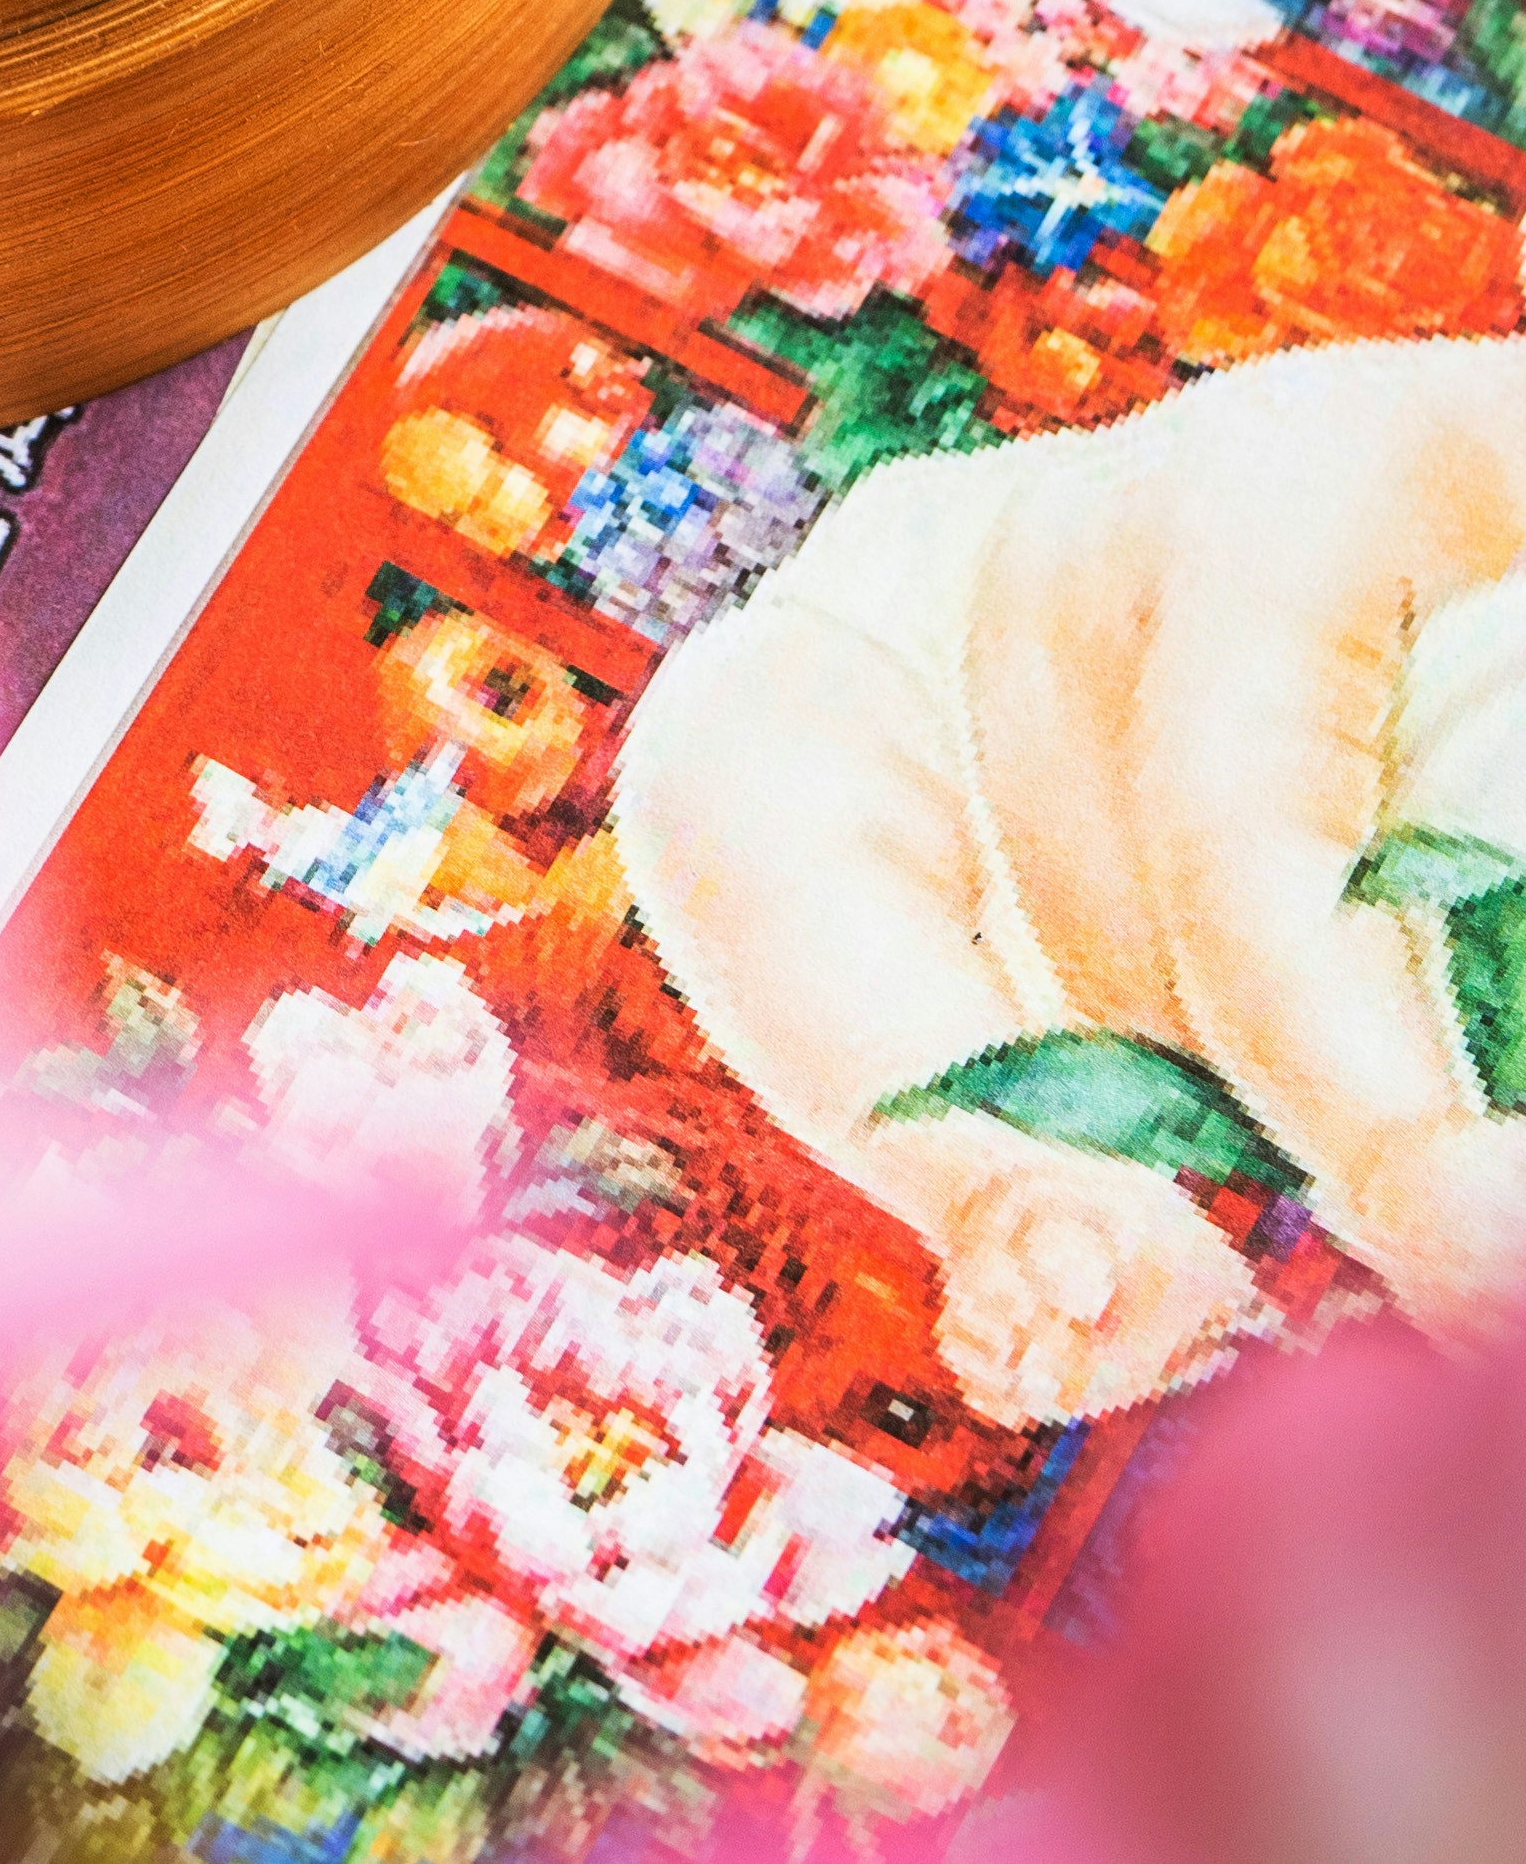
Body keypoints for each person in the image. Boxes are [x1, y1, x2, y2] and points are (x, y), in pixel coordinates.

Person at [614, 338, 1526, 1439]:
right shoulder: (1348, 449)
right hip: (936, 721)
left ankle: (1100, 1228)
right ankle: (1026, 1193)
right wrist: (1407, 1155)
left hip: (1270, 1032)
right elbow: (1237, 837)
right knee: (744, 767)